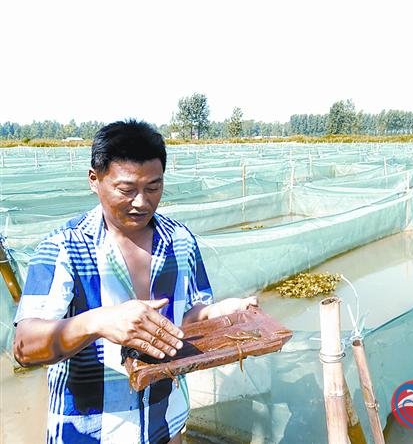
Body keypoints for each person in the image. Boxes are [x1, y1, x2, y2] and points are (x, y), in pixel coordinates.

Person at [13, 120, 257, 444]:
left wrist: (216, 314)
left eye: (153, 188)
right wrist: (98, 322)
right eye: (126, 190)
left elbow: (181, 320)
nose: (141, 202)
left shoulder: (180, 240)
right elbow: (25, 347)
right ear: (94, 180)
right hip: (90, 431)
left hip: (165, 421)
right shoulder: (63, 248)